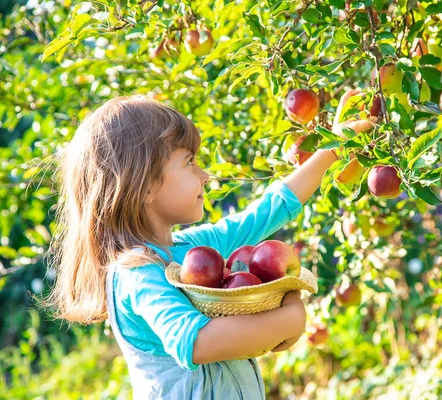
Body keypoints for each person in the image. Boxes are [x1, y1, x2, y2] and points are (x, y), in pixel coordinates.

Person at [41, 90, 373, 399]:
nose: (205, 176)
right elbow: (197, 341)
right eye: (189, 163)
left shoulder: (193, 249)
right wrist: (291, 318)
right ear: (143, 187)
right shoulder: (137, 274)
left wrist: (332, 148)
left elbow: (268, 211)